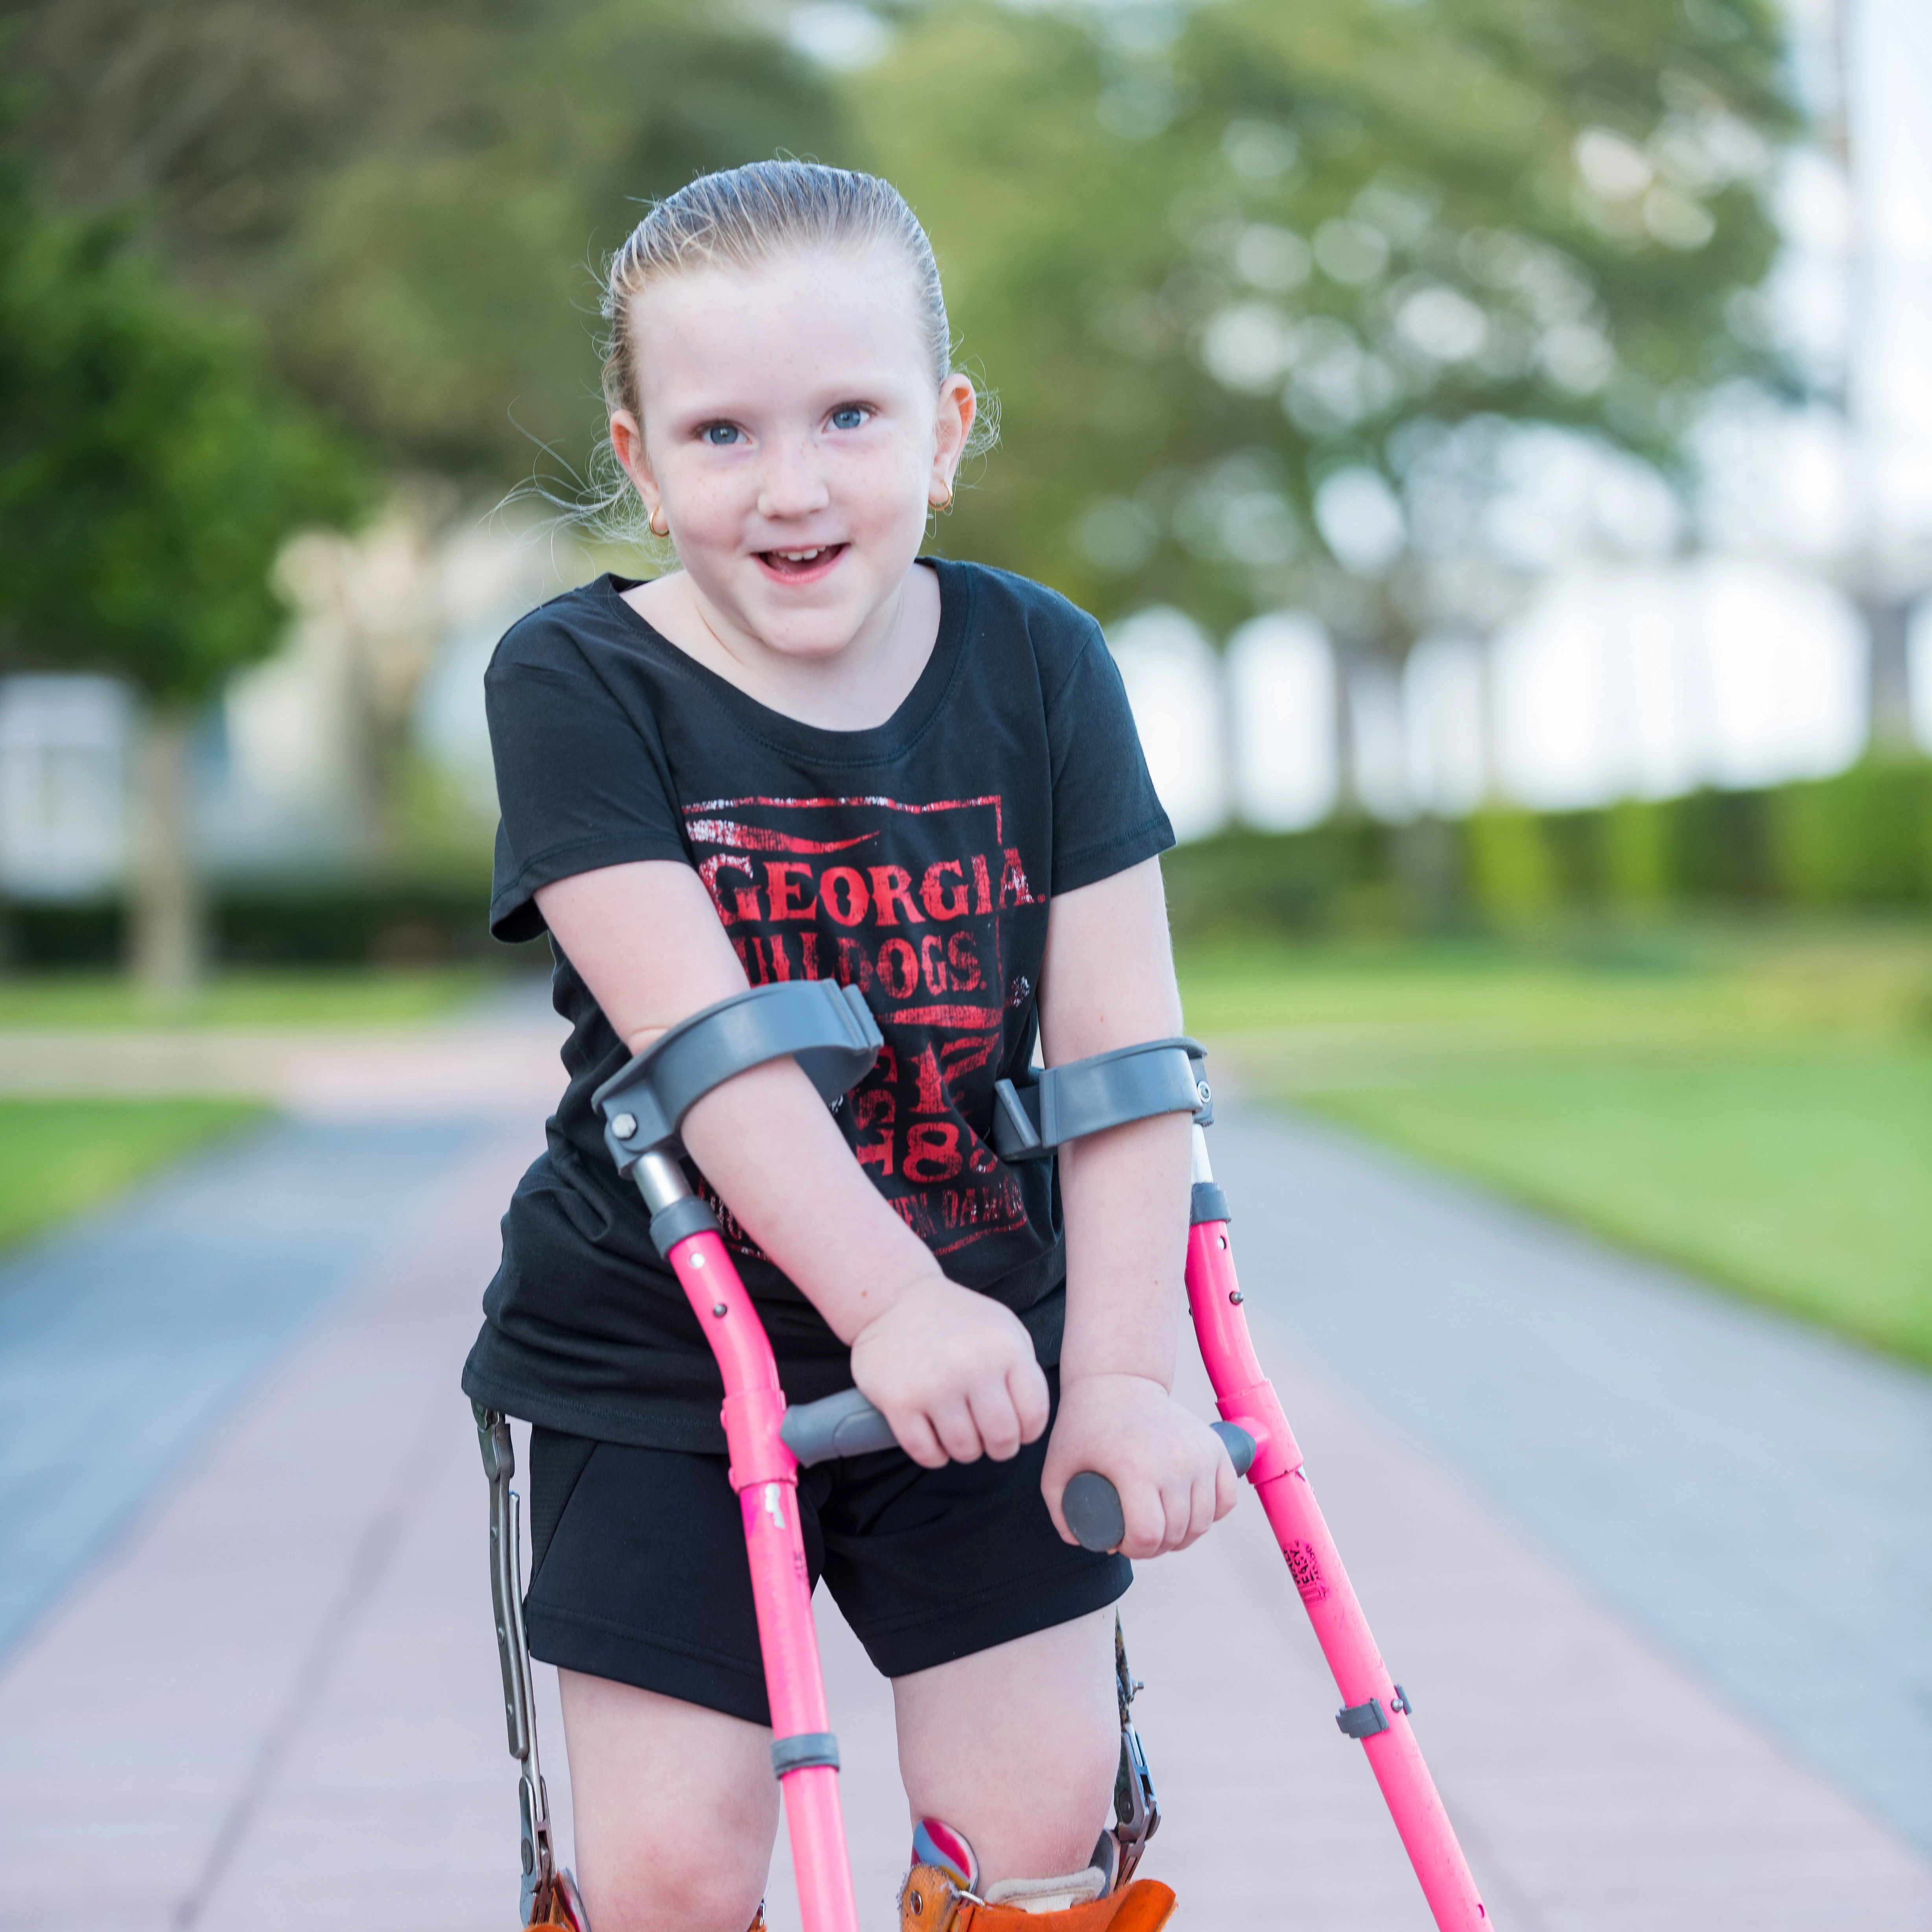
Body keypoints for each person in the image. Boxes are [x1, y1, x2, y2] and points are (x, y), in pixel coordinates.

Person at [463, 160, 1238, 1932]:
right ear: (640, 461)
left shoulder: (1042, 666)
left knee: (1038, 1836)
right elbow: (708, 1046)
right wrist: (886, 1308)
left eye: (850, 415)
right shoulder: (572, 680)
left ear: (947, 430)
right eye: (722, 433)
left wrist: (1119, 1370)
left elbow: (1124, 1060)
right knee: (669, 1864)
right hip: (666, 1342)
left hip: (991, 1337)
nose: (792, 485)